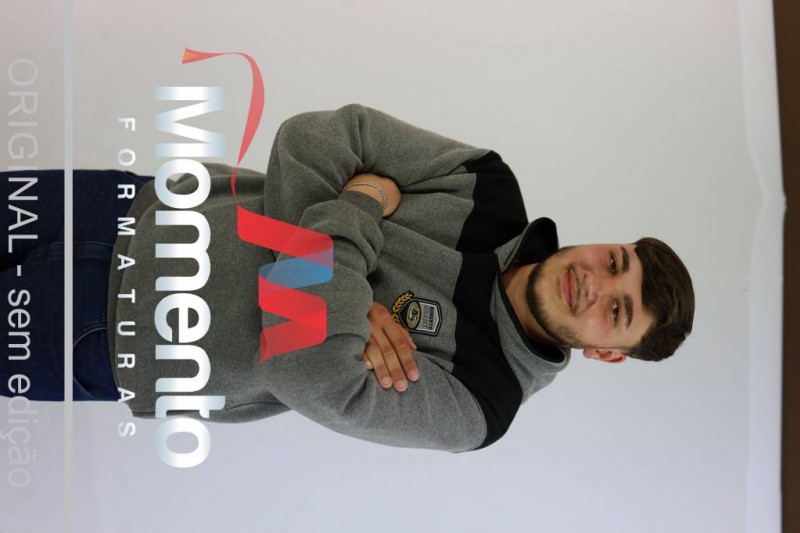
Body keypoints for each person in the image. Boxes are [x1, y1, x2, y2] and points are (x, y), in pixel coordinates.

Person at [1, 104, 694, 452]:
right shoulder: (484, 185)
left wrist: (363, 203)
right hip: (132, 204)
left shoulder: (479, 405)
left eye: (617, 311)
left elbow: (309, 374)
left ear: (607, 352)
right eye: (615, 261)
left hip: (114, 336)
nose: (595, 284)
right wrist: (332, 300)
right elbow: (316, 138)